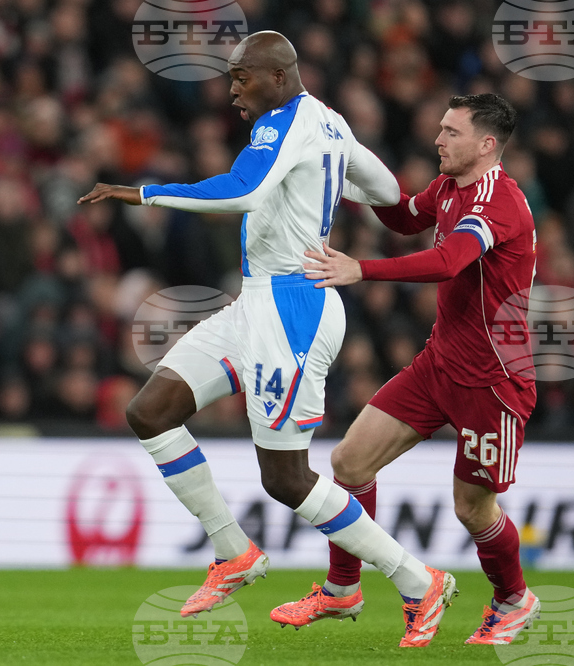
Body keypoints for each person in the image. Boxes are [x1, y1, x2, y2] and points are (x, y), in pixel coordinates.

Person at [78, 31, 458, 648]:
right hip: (255, 301)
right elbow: (389, 194)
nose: (232, 91)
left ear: (278, 76)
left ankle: (417, 580)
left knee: (284, 477)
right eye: (231, 79)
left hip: (292, 308)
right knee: (150, 411)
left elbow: (243, 191)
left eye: (241, 78)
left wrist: (142, 191)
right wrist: (354, 201)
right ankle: (233, 552)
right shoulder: (330, 124)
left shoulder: (284, 123)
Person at [278, 93, 540, 645]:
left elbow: (447, 262)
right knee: (349, 461)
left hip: (494, 382)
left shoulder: (499, 202)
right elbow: (402, 218)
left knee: (472, 509)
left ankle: (514, 599)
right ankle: (342, 588)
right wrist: (346, 170)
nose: (438, 140)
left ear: (487, 144)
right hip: (439, 363)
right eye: (440, 129)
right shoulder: (447, 188)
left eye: (451, 132)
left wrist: (360, 270)